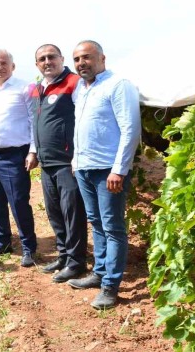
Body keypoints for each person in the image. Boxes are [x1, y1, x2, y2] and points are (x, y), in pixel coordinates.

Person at [67, 40, 141, 310]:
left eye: (86, 57)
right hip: (85, 168)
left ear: (102, 58)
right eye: (76, 59)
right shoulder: (82, 89)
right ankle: (98, 273)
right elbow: (80, 129)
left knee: (112, 228)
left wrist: (119, 169)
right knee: (96, 222)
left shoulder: (118, 85)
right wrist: (76, 161)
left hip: (108, 170)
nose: (81, 63)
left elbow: (130, 129)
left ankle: (111, 285)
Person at [0, 50, 39, 267]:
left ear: (13, 66)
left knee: (18, 202)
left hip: (14, 155)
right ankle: (3, 242)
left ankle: (28, 247)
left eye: (3, 63)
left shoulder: (26, 88)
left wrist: (32, 151)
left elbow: (34, 122)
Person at [31, 44, 87, 282]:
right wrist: (34, 151)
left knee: (72, 212)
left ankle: (77, 262)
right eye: (42, 59)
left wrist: (77, 156)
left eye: (51, 57)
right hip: (46, 162)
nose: (47, 61)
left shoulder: (74, 83)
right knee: (55, 213)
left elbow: (83, 119)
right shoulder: (38, 89)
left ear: (61, 58)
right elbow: (36, 123)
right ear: (37, 65)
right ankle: (64, 255)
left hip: (67, 161)